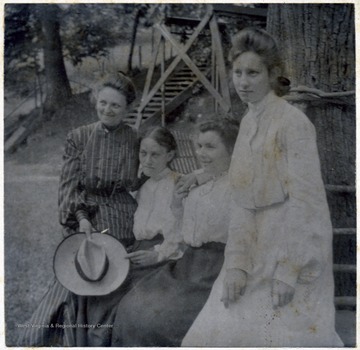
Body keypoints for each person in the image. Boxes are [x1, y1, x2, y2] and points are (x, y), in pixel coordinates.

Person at [182, 27, 343, 347]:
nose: (243, 82)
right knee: (214, 328)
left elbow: (307, 204)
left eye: (253, 73)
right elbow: (242, 202)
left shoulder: (293, 123)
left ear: (272, 74)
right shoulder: (248, 122)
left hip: (293, 245)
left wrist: (289, 270)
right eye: (238, 72)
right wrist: (237, 265)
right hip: (254, 245)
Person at [18, 72, 144, 347]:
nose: (107, 110)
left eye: (115, 106)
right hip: (88, 215)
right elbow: (69, 185)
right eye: (103, 103)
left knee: (118, 277)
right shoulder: (79, 137)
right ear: (95, 101)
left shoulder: (136, 138)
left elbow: (148, 176)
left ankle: (109, 337)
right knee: (84, 271)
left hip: (124, 214)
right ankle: (65, 336)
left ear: (127, 109)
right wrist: (80, 218)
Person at [111, 118, 239, 347]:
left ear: (231, 149)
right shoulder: (196, 182)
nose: (201, 153)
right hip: (189, 263)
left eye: (210, 147)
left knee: (161, 321)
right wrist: (179, 205)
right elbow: (186, 233)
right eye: (199, 146)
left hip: (218, 268)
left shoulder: (240, 184)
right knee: (132, 307)